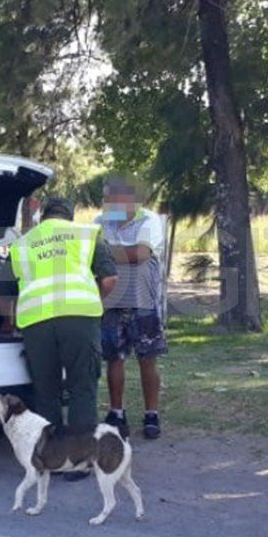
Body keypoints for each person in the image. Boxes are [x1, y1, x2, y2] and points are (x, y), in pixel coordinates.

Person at [3, 197, 118, 474]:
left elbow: (4, 289)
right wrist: (94, 301)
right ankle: (80, 462)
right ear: (70, 216)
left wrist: (9, 321)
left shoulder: (23, 243)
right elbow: (110, 279)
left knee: (46, 392)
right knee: (82, 387)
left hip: (36, 322)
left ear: (43, 218)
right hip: (80, 318)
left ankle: (50, 459)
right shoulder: (86, 234)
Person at [96, 178, 168, 439]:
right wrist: (116, 254)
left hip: (144, 301)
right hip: (112, 299)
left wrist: (105, 253)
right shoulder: (99, 222)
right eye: (107, 201)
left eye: (116, 201)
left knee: (147, 357)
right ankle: (117, 412)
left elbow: (140, 254)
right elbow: (92, 253)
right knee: (114, 357)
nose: (110, 206)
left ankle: (152, 414)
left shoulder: (149, 220)